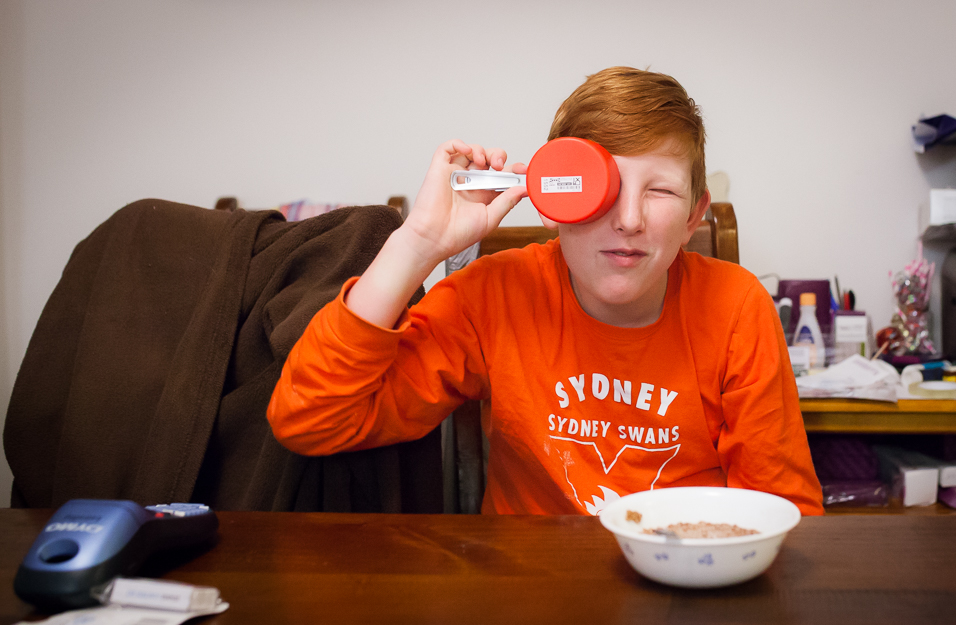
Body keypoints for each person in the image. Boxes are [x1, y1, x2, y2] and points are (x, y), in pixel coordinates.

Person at [267, 66, 824, 516]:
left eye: (659, 191)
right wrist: (417, 243)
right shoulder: (494, 294)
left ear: (693, 216)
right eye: (602, 189)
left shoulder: (736, 306)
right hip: (531, 583)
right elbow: (310, 419)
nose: (628, 219)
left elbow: (781, 511)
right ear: (556, 200)